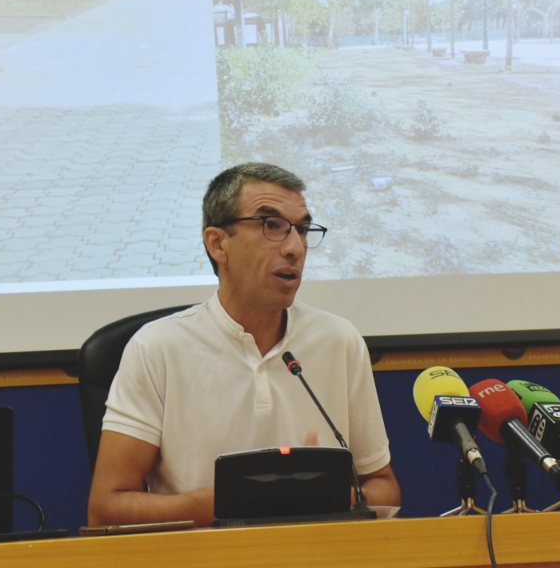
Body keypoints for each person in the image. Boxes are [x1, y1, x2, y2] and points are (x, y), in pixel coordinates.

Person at [87, 162, 400, 526]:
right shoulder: (157, 348)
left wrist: (322, 499)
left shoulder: (338, 340)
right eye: (272, 226)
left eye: (301, 229)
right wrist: (233, 503)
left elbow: (384, 488)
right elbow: (106, 509)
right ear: (218, 243)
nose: (295, 248)